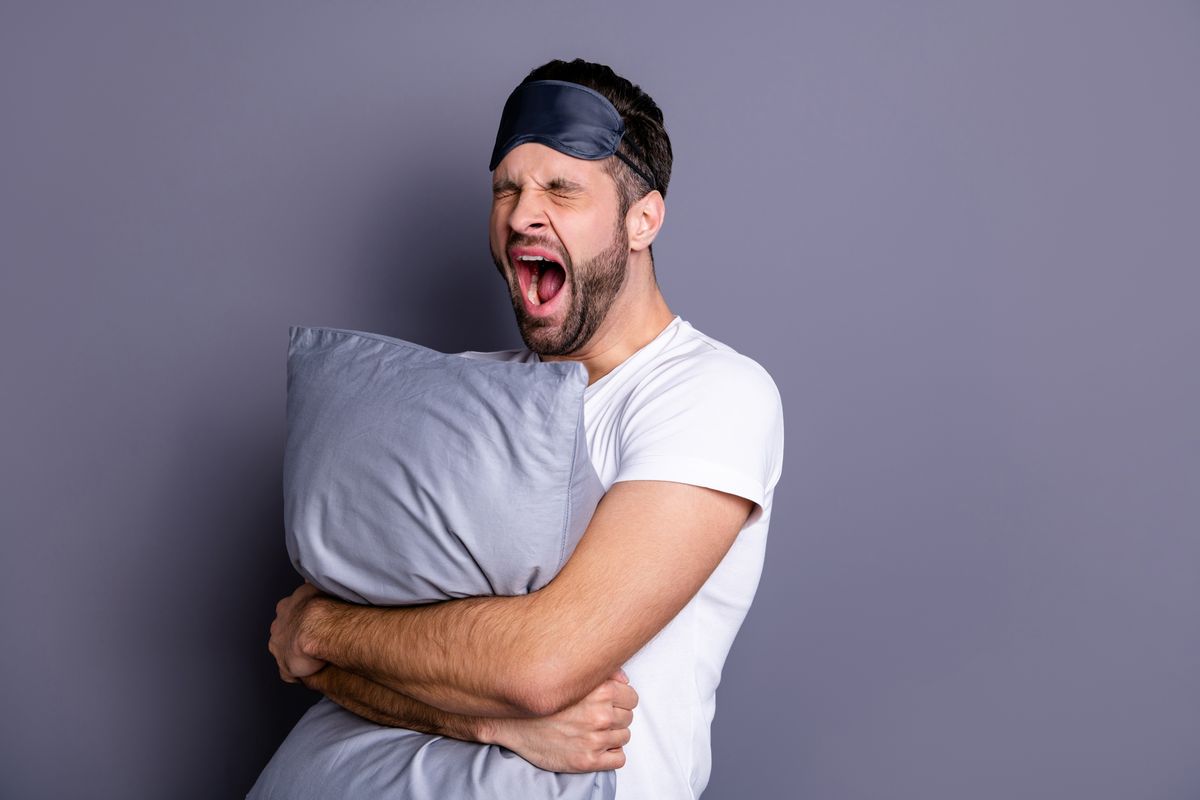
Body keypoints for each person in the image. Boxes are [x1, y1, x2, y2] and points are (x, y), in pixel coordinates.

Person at [268, 58, 785, 799]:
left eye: (560, 188)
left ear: (643, 219)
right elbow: (298, 656)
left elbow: (541, 666)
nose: (520, 213)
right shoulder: (474, 393)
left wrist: (328, 628)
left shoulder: (711, 394)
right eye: (506, 188)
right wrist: (488, 723)